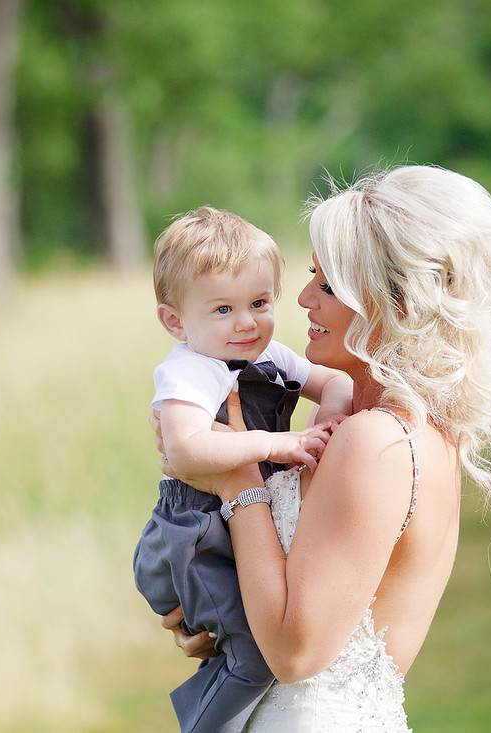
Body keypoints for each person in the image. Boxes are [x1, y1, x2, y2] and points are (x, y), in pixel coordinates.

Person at [154, 166, 491, 730]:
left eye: (326, 285)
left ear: (394, 302)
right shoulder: (407, 429)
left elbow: (297, 655)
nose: (299, 299)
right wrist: (217, 612)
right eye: (310, 275)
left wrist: (236, 476)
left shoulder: (376, 441)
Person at [133, 206, 353, 733]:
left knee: (254, 638)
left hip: (234, 524)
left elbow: (339, 385)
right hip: (196, 532)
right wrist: (281, 444)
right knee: (252, 658)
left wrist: (326, 426)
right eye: (224, 309)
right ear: (175, 321)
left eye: (259, 302)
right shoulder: (190, 368)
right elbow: (183, 452)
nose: (246, 322)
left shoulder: (270, 354)